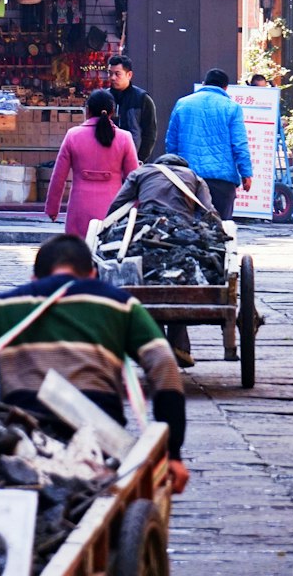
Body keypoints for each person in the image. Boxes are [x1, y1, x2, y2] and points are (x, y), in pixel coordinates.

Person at [0, 233, 189, 492]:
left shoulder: (1, 305)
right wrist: (172, 453)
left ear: (34, 279)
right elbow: (163, 364)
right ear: (93, 275)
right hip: (100, 436)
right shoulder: (121, 305)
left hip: (23, 433)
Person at [109, 151, 215, 368]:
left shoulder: (141, 173)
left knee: (150, 278)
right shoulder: (194, 177)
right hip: (183, 233)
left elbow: (117, 205)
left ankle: (157, 344)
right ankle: (179, 347)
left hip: (146, 231)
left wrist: (107, 227)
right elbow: (208, 211)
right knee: (183, 276)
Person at [45, 89, 139, 237]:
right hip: (113, 211)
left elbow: (58, 177)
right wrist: (136, 209)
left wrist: (52, 209)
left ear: (87, 111)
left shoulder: (73, 136)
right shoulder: (124, 138)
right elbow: (134, 180)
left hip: (79, 209)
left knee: (78, 254)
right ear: (112, 111)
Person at [164, 68, 252, 221]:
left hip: (188, 179)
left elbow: (171, 143)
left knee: (188, 227)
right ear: (225, 88)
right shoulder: (232, 107)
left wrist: (173, 171)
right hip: (222, 181)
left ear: (204, 84)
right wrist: (246, 173)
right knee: (221, 229)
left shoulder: (182, 104)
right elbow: (239, 144)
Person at [107, 55, 158, 161]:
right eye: (110, 73)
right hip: (108, 159)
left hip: (134, 159)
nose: (112, 78)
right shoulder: (104, 98)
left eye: (117, 74)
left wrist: (140, 158)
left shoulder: (142, 99)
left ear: (129, 75)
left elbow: (150, 133)